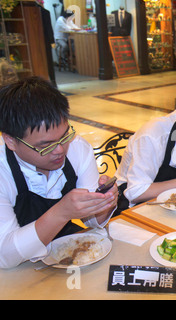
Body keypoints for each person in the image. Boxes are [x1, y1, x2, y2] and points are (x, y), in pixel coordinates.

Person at [0, 77, 118, 269]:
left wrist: (103, 204)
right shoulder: (2, 171)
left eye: (64, 137)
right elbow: (4, 256)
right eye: (45, 145)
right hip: (19, 271)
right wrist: (61, 213)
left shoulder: (78, 148)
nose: (60, 150)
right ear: (11, 141)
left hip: (69, 257)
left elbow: (91, 221)